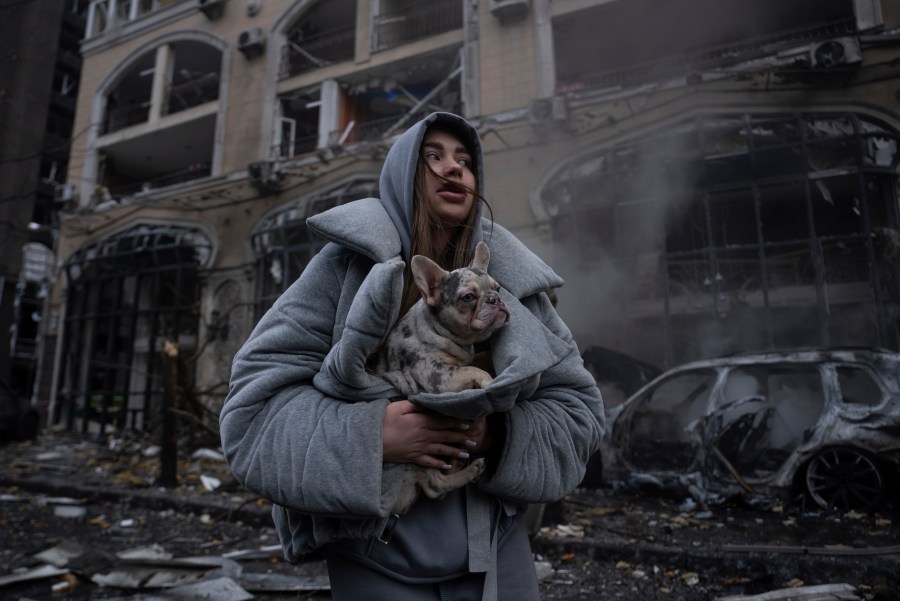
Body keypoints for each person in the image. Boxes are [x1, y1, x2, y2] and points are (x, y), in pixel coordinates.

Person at [220, 112, 604, 601]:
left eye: (465, 160)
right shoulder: (344, 269)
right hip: (374, 559)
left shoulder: (511, 286)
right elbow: (252, 416)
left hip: (498, 555)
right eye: (434, 158)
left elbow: (579, 414)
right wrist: (376, 436)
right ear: (404, 175)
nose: (454, 169)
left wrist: (497, 435)